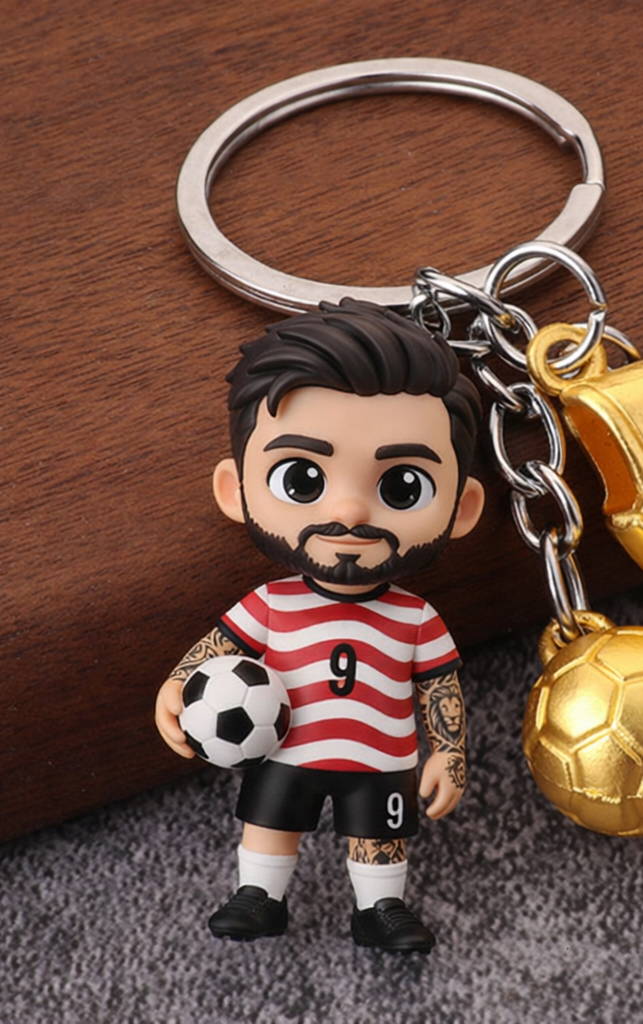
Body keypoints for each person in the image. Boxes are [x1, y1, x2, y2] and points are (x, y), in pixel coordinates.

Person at [154, 299, 484, 952]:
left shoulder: (415, 617)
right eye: (302, 479)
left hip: (382, 758)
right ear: (235, 490)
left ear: (464, 506)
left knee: (380, 835)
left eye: (403, 487)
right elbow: (219, 647)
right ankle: (259, 894)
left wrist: (449, 751)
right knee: (271, 821)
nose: (351, 509)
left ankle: (380, 908)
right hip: (286, 750)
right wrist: (177, 684)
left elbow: (439, 687)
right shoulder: (272, 603)